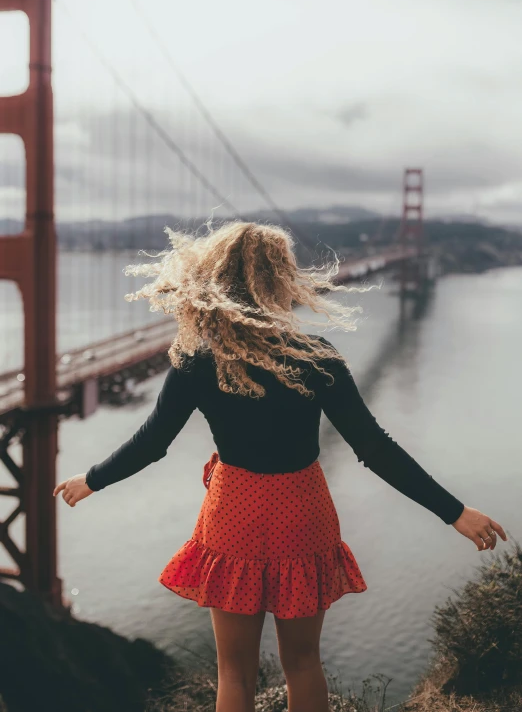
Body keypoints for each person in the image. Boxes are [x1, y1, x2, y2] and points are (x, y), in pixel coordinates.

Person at [54, 220, 507, 712]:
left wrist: (92, 480)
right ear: (281, 281)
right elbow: (375, 448)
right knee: (304, 664)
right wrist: (454, 512)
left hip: (234, 517)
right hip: (302, 514)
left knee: (234, 672)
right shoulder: (318, 358)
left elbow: (151, 443)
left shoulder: (197, 362)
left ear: (214, 279)